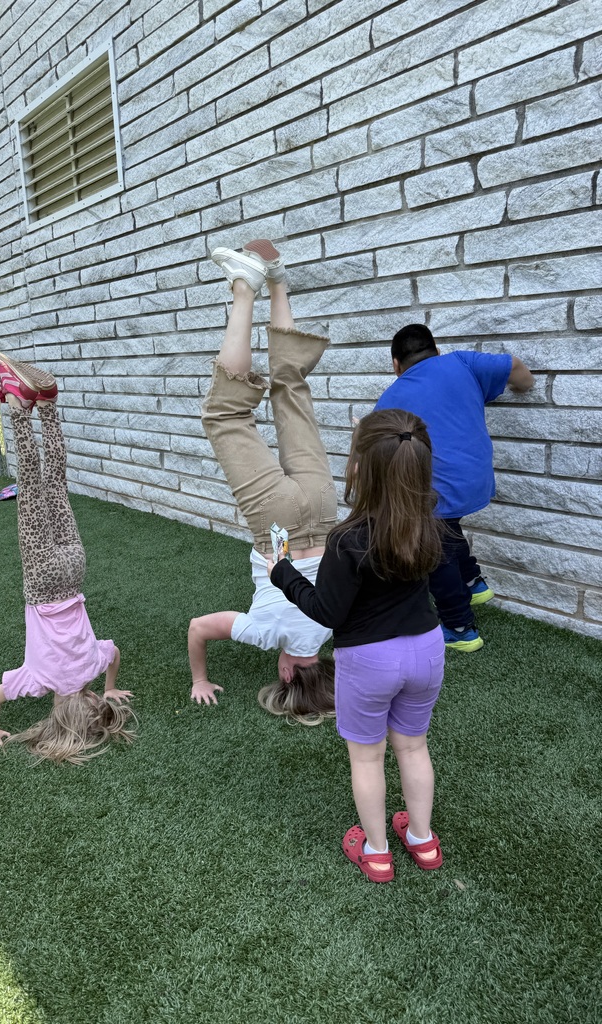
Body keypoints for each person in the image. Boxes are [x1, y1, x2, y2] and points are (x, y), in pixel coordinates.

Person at [270, 408, 445, 883]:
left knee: (367, 757)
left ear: (359, 468)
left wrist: (282, 573)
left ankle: (377, 851)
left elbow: (327, 611)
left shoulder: (347, 539)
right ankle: (423, 842)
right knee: (413, 748)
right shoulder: (433, 523)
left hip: (370, 660)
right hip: (428, 650)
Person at [188, 240, 337, 722]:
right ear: (290, 674)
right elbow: (198, 628)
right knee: (226, 414)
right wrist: (199, 678)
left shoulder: (336, 628)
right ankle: (243, 288)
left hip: (325, 509)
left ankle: (276, 279)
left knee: (292, 390)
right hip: (279, 528)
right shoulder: (265, 633)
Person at [0, 353, 135, 764]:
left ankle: (47, 405)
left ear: (89, 699)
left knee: (57, 484)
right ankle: (17, 403)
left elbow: (114, 653)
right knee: (31, 484)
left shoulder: (92, 667)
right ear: (56, 715)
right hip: (44, 580)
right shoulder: (39, 681)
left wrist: (110, 688)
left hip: (74, 570)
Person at [375, 324, 535, 651]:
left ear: (395, 364)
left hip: (437, 490)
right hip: (478, 480)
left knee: (434, 551)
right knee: (446, 527)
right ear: (437, 347)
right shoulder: (463, 362)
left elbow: (384, 454)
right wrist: (526, 386)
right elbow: (516, 368)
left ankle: (460, 628)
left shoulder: (390, 398)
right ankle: (473, 583)